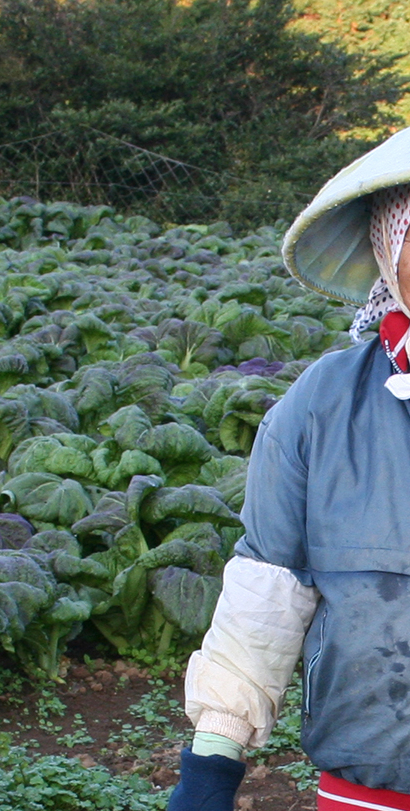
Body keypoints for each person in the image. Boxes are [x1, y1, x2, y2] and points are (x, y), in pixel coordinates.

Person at [169, 126, 410, 811]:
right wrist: (210, 764)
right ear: (387, 252)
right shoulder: (318, 405)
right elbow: (266, 588)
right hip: (373, 780)